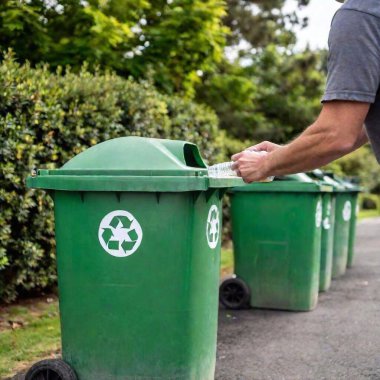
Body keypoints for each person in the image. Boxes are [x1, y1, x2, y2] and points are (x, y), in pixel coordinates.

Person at [232, 0, 380, 182]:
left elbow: (336, 134)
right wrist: (286, 155)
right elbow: (358, 124)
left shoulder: (360, 15)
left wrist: (264, 164)